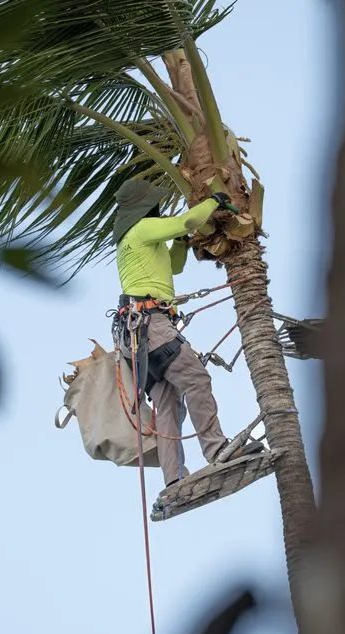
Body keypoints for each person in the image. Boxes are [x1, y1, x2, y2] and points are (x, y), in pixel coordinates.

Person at [111, 178, 262, 488]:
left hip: (135, 336)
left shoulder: (134, 241)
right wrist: (213, 201)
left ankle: (175, 480)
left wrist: (182, 241)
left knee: (168, 403)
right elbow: (188, 220)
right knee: (196, 379)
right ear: (145, 207)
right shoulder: (141, 229)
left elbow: (174, 266)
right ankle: (217, 448)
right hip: (151, 325)